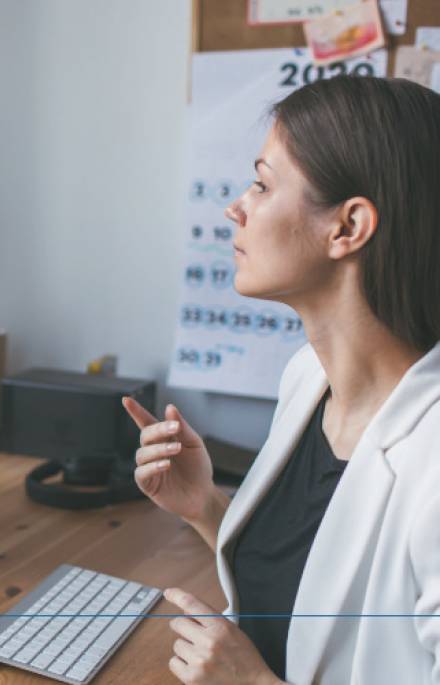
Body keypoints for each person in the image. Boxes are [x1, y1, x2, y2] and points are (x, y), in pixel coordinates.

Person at [121, 77, 440, 685]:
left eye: (264, 185)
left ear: (347, 227)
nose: (236, 206)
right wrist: (205, 507)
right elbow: (309, 583)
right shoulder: (307, 379)